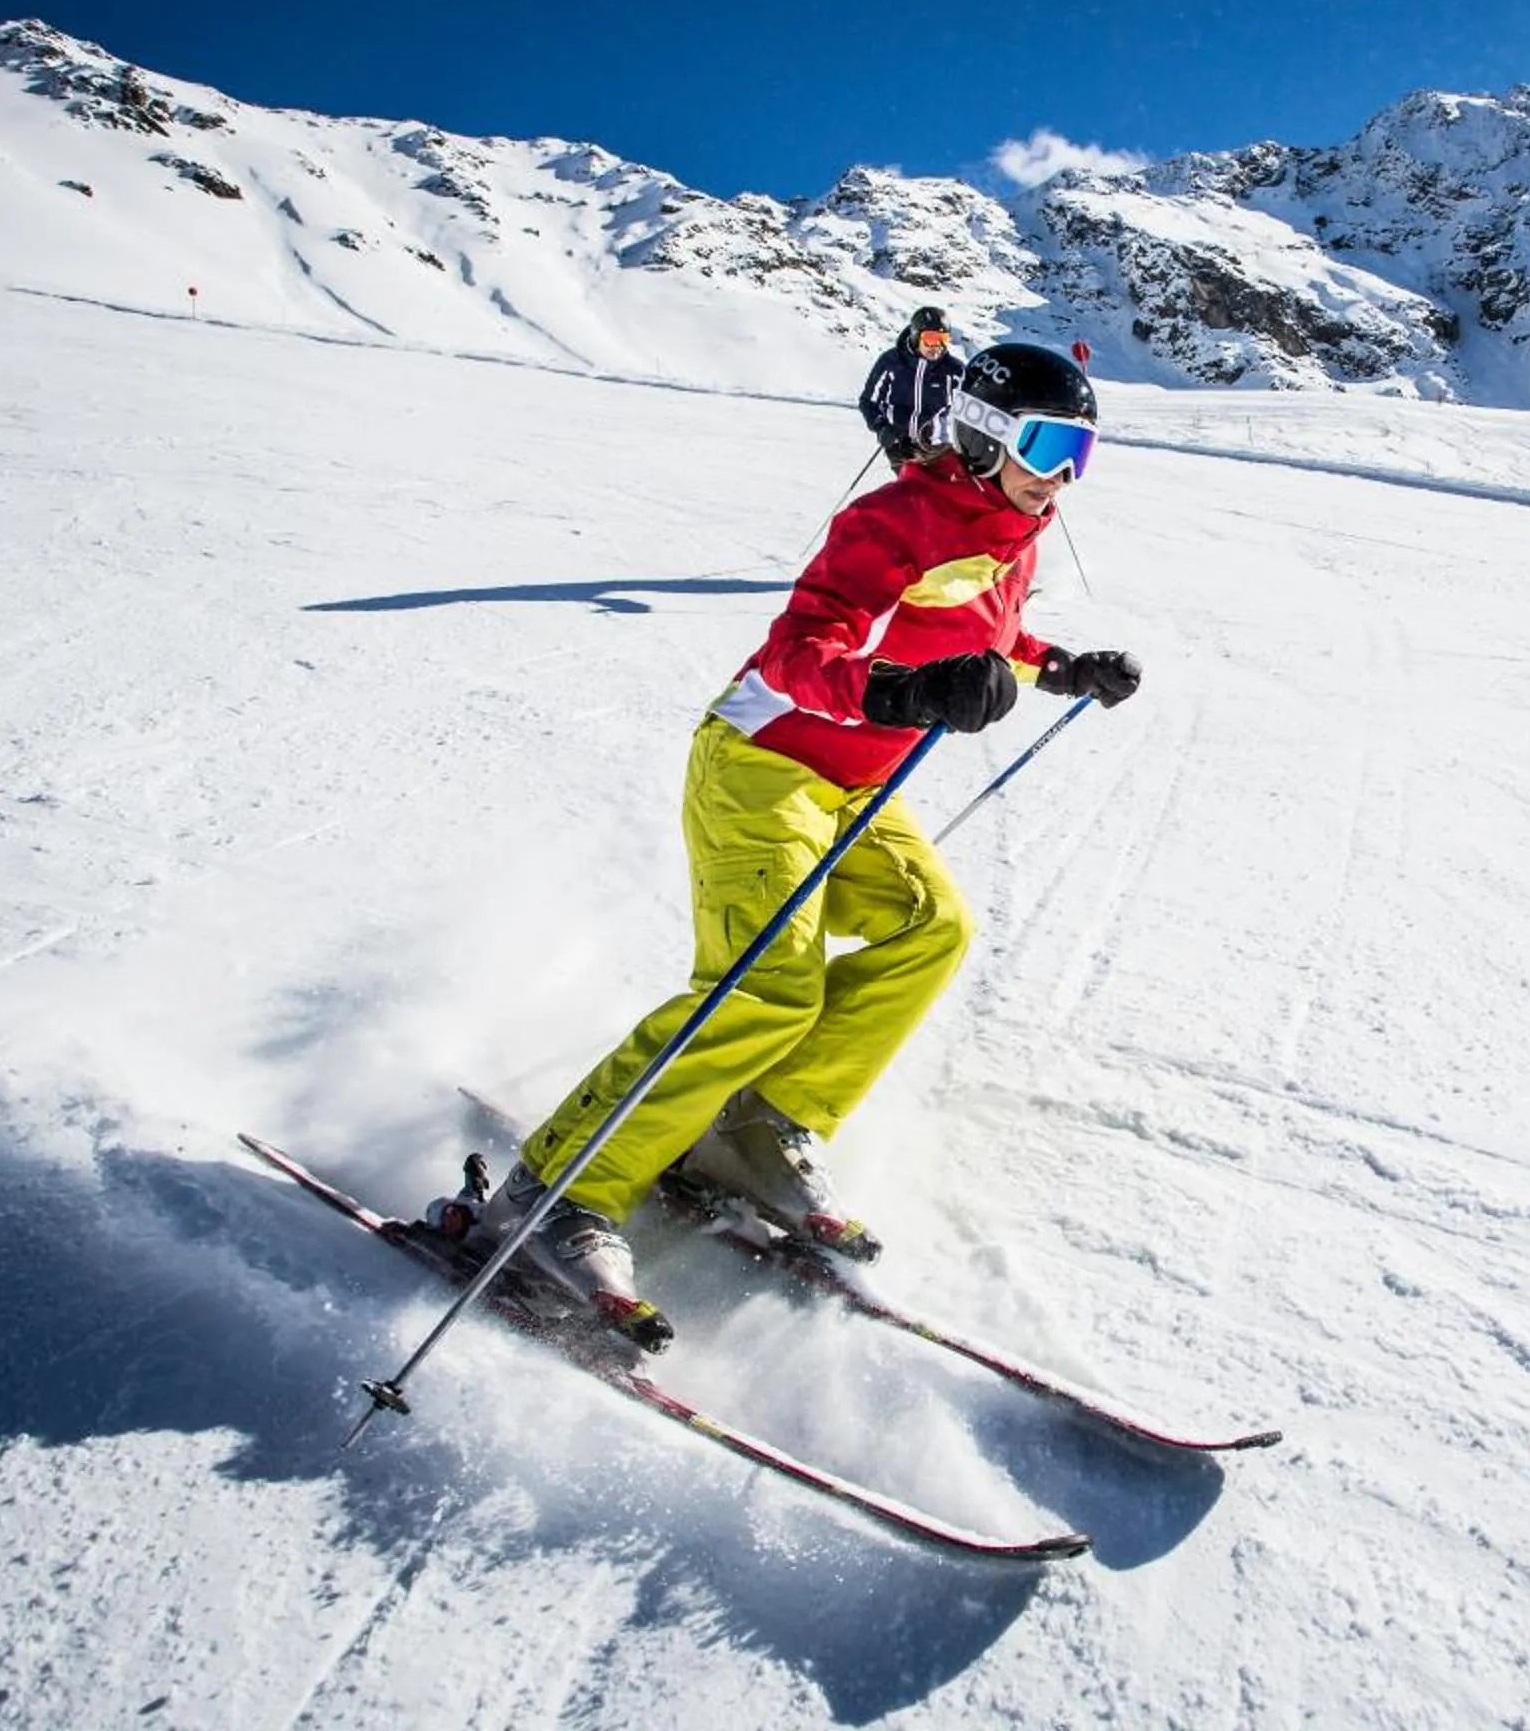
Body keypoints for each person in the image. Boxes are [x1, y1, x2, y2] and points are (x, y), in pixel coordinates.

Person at [469, 342, 1143, 1349]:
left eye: (1081, 453)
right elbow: (801, 651)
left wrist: (1061, 667)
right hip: (764, 760)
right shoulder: (894, 518)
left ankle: (752, 1130)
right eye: (1048, 445)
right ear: (986, 431)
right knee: (760, 982)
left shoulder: (1017, 533)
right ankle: (558, 1192)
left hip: (852, 782)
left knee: (932, 929)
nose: (1063, 475)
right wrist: (905, 694)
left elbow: (991, 631)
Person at [858, 306, 965, 470]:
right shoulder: (891, 363)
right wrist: (881, 428)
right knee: (914, 490)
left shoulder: (954, 371)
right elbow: (868, 401)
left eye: (943, 339)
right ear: (916, 336)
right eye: (931, 338)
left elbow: (970, 411)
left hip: (937, 447)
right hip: (898, 443)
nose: (937, 346)